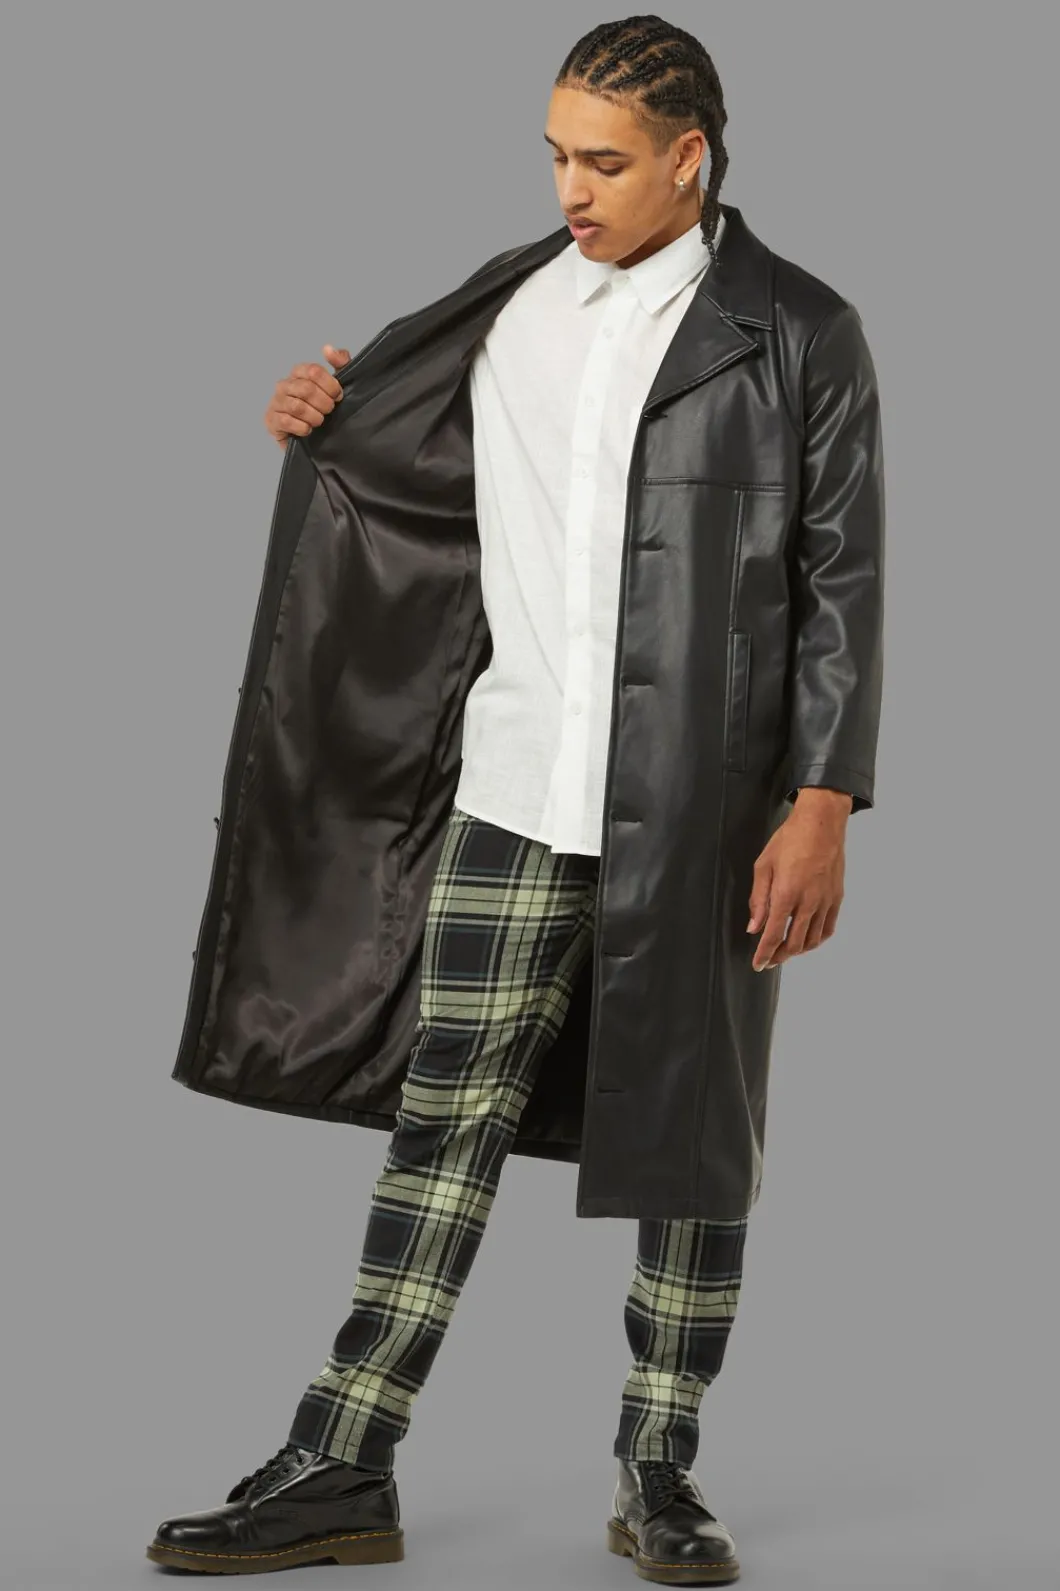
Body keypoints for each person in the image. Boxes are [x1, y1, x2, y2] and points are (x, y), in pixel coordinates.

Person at [147, 14, 884, 1584]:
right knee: (443, 1124)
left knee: (692, 1146)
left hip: (707, 807)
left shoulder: (797, 331)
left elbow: (844, 579)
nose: (571, 189)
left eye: (604, 161)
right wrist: (321, 416)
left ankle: (660, 1473)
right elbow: (397, 466)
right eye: (555, 155)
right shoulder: (512, 305)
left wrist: (822, 798)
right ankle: (342, 1460)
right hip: (513, 783)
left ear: (691, 158)